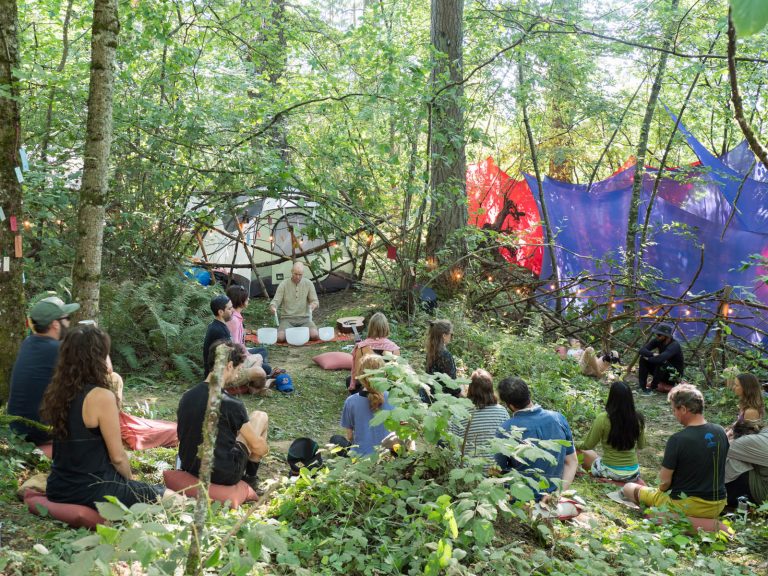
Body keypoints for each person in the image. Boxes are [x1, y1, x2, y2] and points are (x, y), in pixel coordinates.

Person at [40, 325, 170, 509]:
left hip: (58, 487)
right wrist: (131, 485)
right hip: (93, 488)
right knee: (173, 497)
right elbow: (118, 457)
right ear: (98, 358)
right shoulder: (101, 397)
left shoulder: (57, 392)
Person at [622, 384, 728, 517]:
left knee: (628, 488)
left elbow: (664, 483)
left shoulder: (678, 439)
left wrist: (660, 490)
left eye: (674, 410)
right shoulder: (720, 431)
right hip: (718, 504)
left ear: (683, 409)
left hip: (686, 505)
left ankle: (660, 514)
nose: (674, 414)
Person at [178, 340, 270, 489]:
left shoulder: (187, 396)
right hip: (223, 474)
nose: (238, 373)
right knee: (260, 416)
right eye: (238, 368)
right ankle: (250, 478)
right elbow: (257, 447)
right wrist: (265, 449)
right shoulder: (232, 404)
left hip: (190, 466)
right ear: (229, 366)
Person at [8, 296, 79, 444]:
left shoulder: (28, 343)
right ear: (55, 324)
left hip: (17, 428)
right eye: (67, 318)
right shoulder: (58, 349)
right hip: (41, 432)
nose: (69, 323)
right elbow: (103, 370)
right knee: (112, 380)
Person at [494, 377, 577, 501]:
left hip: (519, 501)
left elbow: (498, 471)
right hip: (552, 499)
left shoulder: (505, 429)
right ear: (529, 394)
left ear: (509, 405)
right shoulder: (558, 419)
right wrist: (558, 494)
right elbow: (572, 462)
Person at [576, 381, 646, 481]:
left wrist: (573, 443)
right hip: (633, 473)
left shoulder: (603, 418)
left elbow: (588, 445)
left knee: (578, 451)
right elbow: (642, 445)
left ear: (611, 397)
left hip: (611, 471)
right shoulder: (638, 418)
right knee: (594, 455)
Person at [449, 369, 509, 462]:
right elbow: (508, 444)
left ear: (470, 389)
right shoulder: (502, 412)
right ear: (491, 389)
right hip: (495, 468)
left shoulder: (459, 413)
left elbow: (452, 446)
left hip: (466, 468)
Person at [340, 354, 393, 456]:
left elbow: (350, 436)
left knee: (336, 440)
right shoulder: (393, 398)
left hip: (361, 457)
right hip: (389, 456)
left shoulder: (351, 401)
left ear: (360, 375)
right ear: (384, 374)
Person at [225, 284, 273, 376]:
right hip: (236, 358)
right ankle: (256, 371)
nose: (248, 299)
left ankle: (258, 367)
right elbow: (235, 345)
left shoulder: (236, 316)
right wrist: (248, 356)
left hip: (240, 352)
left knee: (263, 350)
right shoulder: (234, 320)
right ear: (240, 300)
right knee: (267, 368)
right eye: (246, 298)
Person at [348, 312, 400, 393]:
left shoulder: (361, 347)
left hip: (366, 387)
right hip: (386, 389)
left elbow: (357, 373)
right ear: (386, 328)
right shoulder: (394, 348)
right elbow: (396, 374)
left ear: (370, 328)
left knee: (348, 380)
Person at [269, 261, 319, 342]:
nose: (298, 277)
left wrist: (313, 304)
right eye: (295, 274)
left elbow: (315, 300)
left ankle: (297, 334)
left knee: (315, 335)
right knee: (280, 338)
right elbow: (276, 300)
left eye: (300, 274)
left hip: (305, 319)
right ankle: (298, 335)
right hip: (287, 319)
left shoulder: (309, 283)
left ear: (303, 273)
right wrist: (273, 306)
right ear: (291, 271)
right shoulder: (284, 284)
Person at [724, 423, 768, 507]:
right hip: (762, 480)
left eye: (731, 434)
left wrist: (726, 436)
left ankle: (718, 497)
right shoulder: (763, 436)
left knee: (731, 461)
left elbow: (719, 448)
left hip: (763, 494)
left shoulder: (746, 442)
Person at [637, 323, 684, 394]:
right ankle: (642, 387)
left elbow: (660, 359)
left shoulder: (674, 345)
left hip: (673, 374)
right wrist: (652, 354)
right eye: (657, 334)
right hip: (662, 371)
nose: (657, 336)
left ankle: (653, 387)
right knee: (643, 359)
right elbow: (642, 350)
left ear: (666, 336)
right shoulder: (658, 341)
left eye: (659, 335)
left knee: (661, 362)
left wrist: (648, 359)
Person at [421, 319, 461, 401]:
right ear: (444, 335)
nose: (451, 337)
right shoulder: (445, 355)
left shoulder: (431, 352)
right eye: (451, 334)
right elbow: (451, 384)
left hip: (428, 395)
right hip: (441, 399)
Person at [726, 373, 765, 439]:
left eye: (736, 385)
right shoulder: (745, 405)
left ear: (746, 388)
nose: (733, 387)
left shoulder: (751, 411)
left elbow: (747, 438)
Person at [203, 294, 234, 376]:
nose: (233, 310)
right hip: (218, 375)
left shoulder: (216, 325)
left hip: (219, 370)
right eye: (229, 308)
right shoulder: (219, 331)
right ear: (220, 312)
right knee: (260, 363)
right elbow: (228, 358)